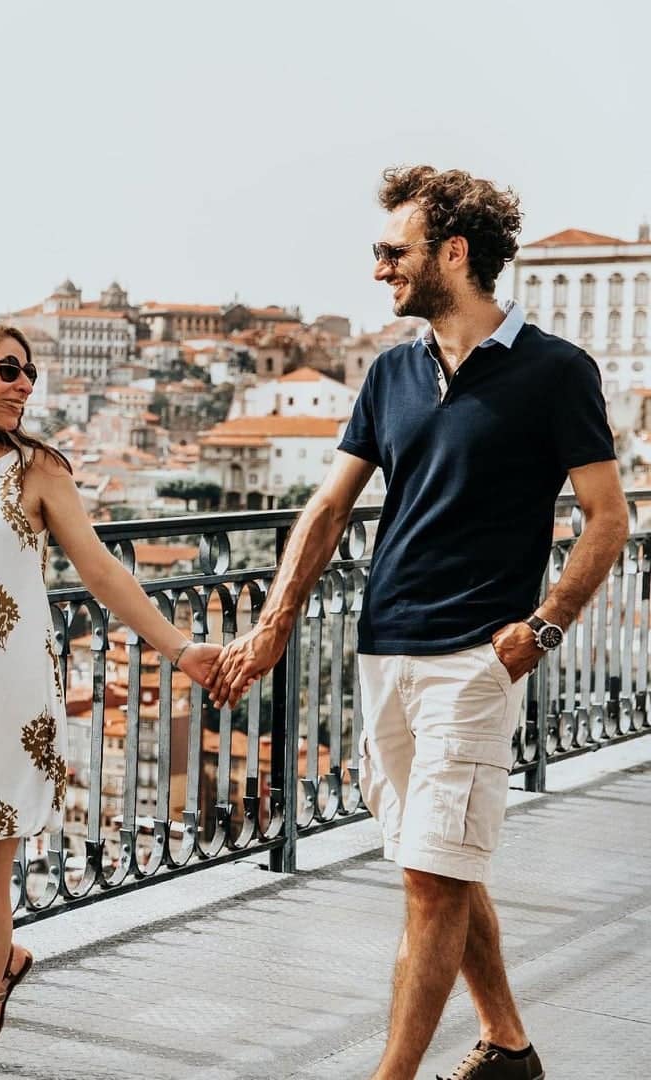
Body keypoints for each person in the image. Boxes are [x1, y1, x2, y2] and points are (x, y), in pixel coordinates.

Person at [214, 166, 628, 1080]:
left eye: (391, 251)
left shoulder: (557, 371)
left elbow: (608, 518)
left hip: (474, 660)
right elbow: (329, 507)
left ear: (453, 252)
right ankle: (509, 1045)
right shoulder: (392, 371)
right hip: (384, 650)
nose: (378, 270)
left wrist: (542, 629)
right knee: (438, 863)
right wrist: (276, 621)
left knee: (431, 880)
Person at [0, 321, 222, 1079]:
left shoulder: (36, 470)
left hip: (3, 702)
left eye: (30, 373)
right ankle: (4, 959)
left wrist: (180, 649)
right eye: (8, 369)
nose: (24, 384)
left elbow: (102, 572)